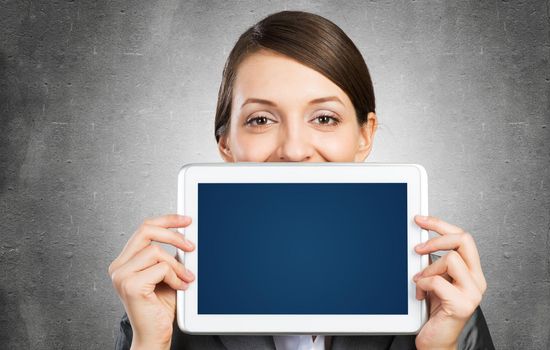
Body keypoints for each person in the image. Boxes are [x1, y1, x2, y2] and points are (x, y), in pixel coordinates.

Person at [109, 10, 495, 350]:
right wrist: (150, 343)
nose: (294, 150)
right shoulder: (167, 298)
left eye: (324, 118)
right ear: (226, 143)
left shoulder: (439, 295)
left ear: (365, 135)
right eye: (261, 120)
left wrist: (441, 346)